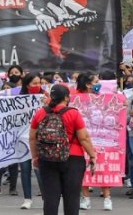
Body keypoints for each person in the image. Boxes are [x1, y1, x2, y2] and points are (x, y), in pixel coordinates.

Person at [29, 84, 97, 215]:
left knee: (50, 197)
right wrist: (92, 155)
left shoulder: (40, 113)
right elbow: (84, 138)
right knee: (72, 197)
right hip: (73, 159)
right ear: (66, 97)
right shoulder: (73, 113)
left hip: (47, 158)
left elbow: (32, 138)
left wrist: (35, 156)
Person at [73, 72, 113, 210]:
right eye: (96, 81)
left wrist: (122, 103)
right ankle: (86, 199)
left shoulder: (105, 96)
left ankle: (107, 198)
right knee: (83, 169)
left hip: (101, 138)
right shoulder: (75, 97)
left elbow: (116, 107)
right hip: (82, 138)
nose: (99, 83)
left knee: (103, 167)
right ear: (88, 84)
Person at [14, 72, 45, 209]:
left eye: (39, 83)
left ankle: (46, 197)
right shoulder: (17, 100)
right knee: (25, 169)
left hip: (39, 139)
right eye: (34, 83)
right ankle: (27, 199)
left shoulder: (45, 98)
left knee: (39, 169)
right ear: (27, 85)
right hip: (22, 139)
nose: (38, 86)